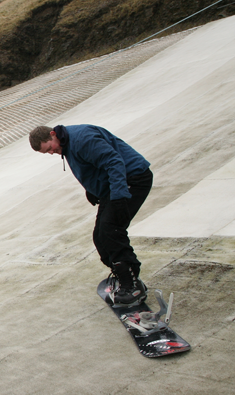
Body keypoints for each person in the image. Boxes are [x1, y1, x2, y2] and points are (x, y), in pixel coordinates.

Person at [29, 124, 153, 304]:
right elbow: (93, 165)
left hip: (132, 179)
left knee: (111, 231)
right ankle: (126, 275)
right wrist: (93, 188)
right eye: (46, 153)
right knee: (100, 237)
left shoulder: (82, 139)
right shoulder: (66, 142)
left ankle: (132, 285)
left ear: (53, 135)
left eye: (49, 148)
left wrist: (119, 197)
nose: (51, 153)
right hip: (112, 186)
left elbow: (113, 161)